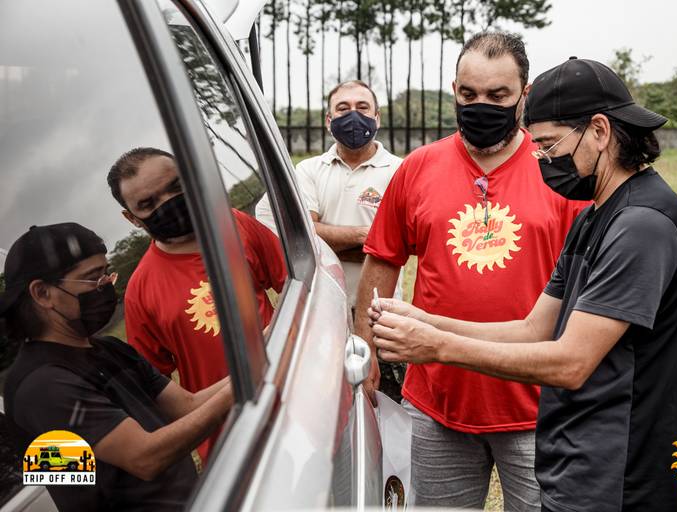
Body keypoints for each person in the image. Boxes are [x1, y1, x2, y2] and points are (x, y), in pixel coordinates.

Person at [368, 58, 677, 512]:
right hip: (575, 458)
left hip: (621, 472)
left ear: (600, 131)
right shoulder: (595, 216)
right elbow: (533, 329)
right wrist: (426, 322)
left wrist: (437, 346)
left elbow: (571, 362)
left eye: (547, 144)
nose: (541, 158)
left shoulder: (642, 224)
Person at [355, 33, 589, 510]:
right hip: (437, 400)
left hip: (535, 406)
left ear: (524, 95)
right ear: (454, 90)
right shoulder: (419, 167)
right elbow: (382, 259)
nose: (482, 106)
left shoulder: (559, 172)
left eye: (498, 96)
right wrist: (368, 351)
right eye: (469, 95)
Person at [0, 223, 233, 512]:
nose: (106, 286)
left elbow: (187, 404)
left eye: (105, 273)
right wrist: (239, 389)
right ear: (43, 293)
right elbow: (145, 458)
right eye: (92, 278)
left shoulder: (109, 349)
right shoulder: (38, 386)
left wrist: (260, 351)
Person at [107, 147, 286, 464]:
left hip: (293, 396)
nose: (168, 204)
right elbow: (156, 389)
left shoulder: (235, 225)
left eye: (176, 187)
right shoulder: (140, 291)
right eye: (148, 204)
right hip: (231, 441)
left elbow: (293, 282)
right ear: (132, 218)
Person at [295, 80, 405, 401]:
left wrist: (330, 238)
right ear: (328, 120)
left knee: (385, 403)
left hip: (383, 318)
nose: (352, 116)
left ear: (377, 118)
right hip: (324, 317)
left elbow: (404, 245)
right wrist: (369, 239)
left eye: (362, 108)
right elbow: (304, 233)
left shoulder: (400, 170)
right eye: (342, 109)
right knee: (327, 407)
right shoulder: (309, 170)